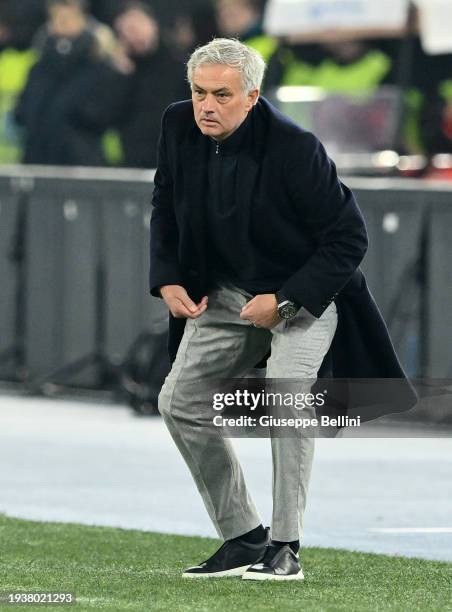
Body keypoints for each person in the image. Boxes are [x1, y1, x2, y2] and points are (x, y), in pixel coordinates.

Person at [149, 38, 416, 580]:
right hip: (224, 294)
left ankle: (285, 545)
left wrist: (287, 299)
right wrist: (166, 277)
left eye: (221, 95)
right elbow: (165, 203)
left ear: (252, 97)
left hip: (301, 294)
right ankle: (244, 537)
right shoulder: (178, 126)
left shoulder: (296, 147)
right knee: (178, 402)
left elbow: (348, 237)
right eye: (199, 92)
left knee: (287, 392)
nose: (206, 106)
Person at [15, 0, 118, 166]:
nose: (62, 22)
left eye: (69, 17)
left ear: (83, 20)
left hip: (80, 162)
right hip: (37, 160)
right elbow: (22, 111)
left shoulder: (99, 67)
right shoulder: (38, 68)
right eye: (56, 17)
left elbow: (102, 114)